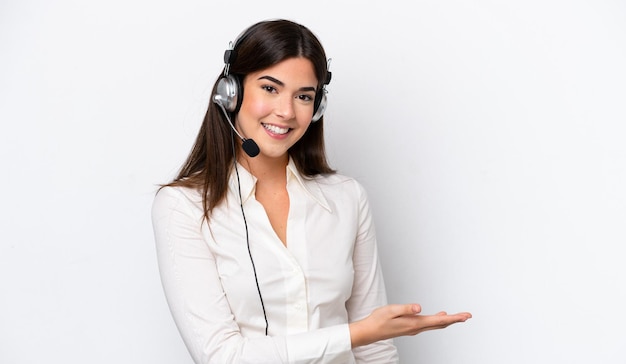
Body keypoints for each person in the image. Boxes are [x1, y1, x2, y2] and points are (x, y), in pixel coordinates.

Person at [151, 18, 471, 363]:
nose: (286, 112)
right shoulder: (182, 207)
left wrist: (370, 335)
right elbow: (221, 356)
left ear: (317, 107)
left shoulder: (347, 198)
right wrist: (358, 332)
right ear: (232, 92)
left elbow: (376, 349)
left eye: (304, 96)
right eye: (270, 88)